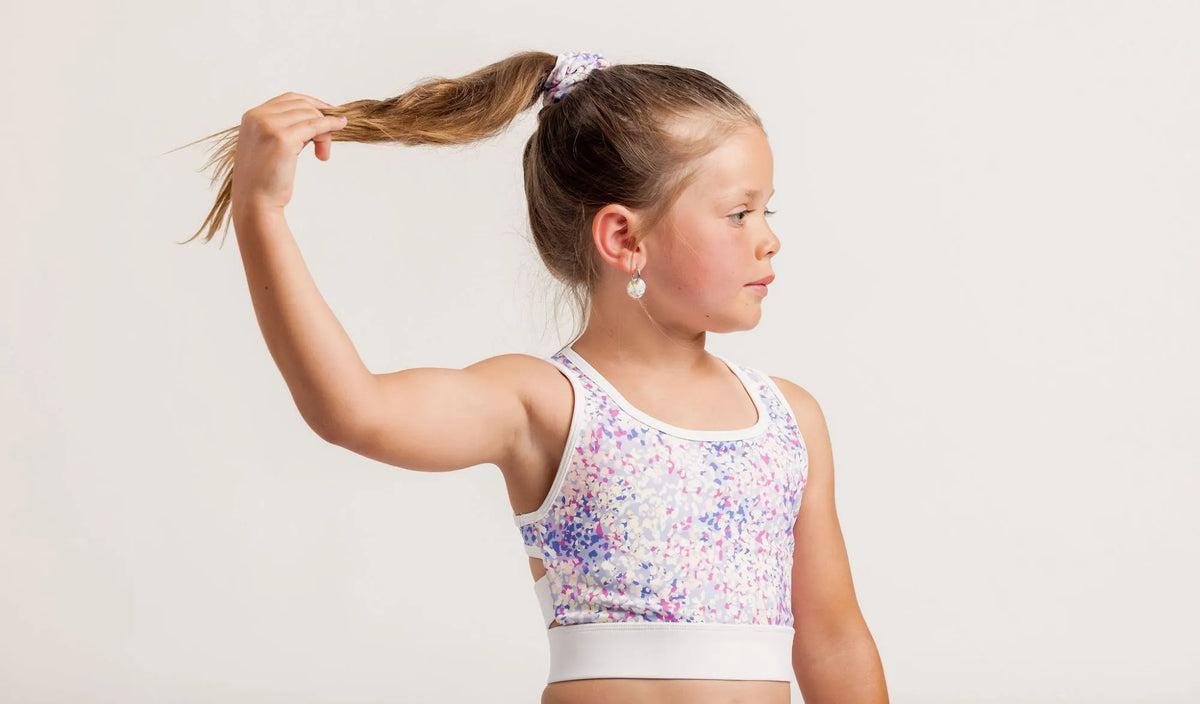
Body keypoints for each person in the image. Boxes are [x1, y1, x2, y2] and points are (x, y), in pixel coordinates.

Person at [183, 50, 888, 704]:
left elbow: (833, 640)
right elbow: (355, 410)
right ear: (624, 239)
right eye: (739, 213)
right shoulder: (545, 403)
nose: (769, 237)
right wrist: (260, 211)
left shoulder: (789, 419)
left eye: (767, 209)